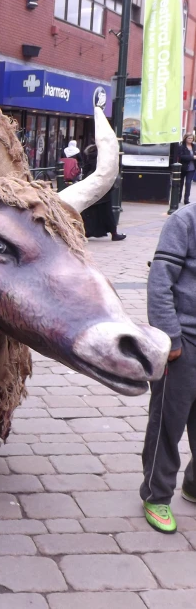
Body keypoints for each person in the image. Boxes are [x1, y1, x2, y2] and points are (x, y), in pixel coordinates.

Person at [140, 203, 196, 533]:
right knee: (167, 425)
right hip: (185, 343)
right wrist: (170, 338)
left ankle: (192, 484)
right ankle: (156, 495)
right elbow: (159, 282)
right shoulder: (185, 220)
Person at [79, 144, 126, 241]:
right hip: (102, 187)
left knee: (89, 212)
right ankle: (114, 233)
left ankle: (86, 232)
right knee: (106, 212)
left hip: (91, 186)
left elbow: (85, 171)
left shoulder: (89, 157)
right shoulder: (104, 158)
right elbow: (115, 167)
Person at [177, 132, 196, 205]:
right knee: (181, 183)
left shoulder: (194, 146)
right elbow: (181, 157)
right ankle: (178, 198)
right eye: (189, 138)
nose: (190, 139)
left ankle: (186, 199)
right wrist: (192, 157)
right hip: (183, 167)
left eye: (191, 138)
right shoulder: (181, 147)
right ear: (185, 139)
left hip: (192, 168)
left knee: (188, 183)